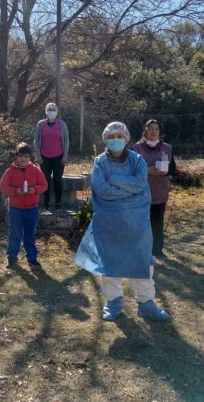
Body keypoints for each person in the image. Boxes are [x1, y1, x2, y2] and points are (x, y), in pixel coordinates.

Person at [74, 122, 171, 322]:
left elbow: (140, 185)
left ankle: (146, 304)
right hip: (108, 223)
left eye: (120, 136)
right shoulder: (100, 163)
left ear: (126, 138)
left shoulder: (137, 160)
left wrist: (115, 181)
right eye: (112, 136)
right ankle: (113, 302)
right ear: (106, 139)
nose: (116, 139)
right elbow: (101, 190)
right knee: (110, 264)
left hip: (136, 224)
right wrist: (126, 190)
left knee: (142, 263)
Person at [130, 119, 176, 259]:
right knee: (140, 223)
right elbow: (130, 170)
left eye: (156, 129)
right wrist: (147, 170)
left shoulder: (166, 148)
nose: (154, 131)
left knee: (157, 222)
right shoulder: (135, 149)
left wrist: (165, 171)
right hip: (141, 192)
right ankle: (139, 250)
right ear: (145, 131)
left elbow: (173, 169)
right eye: (151, 129)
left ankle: (157, 250)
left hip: (160, 190)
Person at [0, 143, 48, 268]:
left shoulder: (35, 170)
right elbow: (3, 186)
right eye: (20, 156)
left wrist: (35, 189)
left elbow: (44, 185)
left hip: (32, 208)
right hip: (15, 208)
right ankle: (12, 257)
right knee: (14, 233)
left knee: (30, 235)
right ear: (16, 156)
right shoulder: (10, 170)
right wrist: (15, 191)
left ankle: (32, 258)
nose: (23, 159)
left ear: (29, 157)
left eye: (26, 156)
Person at [33, 102, 69, 211]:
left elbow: (66, 141)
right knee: (46, 180)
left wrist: (65, 155)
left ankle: (58, 203)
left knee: (58, 180)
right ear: (46, 111)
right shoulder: (41, 124)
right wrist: (38, 155)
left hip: (59, 157)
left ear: (57, 111)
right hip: (44, 158)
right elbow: (36, 140)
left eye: (53, 109)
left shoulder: (61, 124)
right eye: (49, 109)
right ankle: (46, 203)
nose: (51, 111)